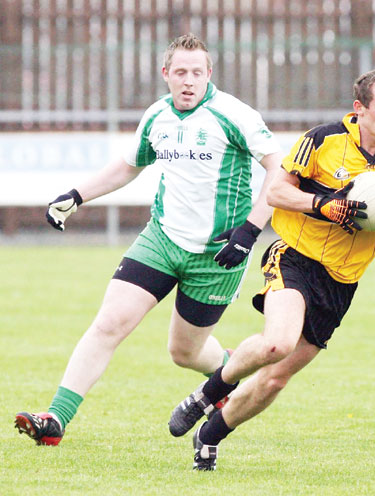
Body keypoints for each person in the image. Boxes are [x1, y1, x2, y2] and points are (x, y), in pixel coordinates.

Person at [14, 33, 283, 446]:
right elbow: (127, 167)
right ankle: (56, 419)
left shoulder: (234, 114)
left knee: (185, 353)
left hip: (218, 253)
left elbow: (280, 169)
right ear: (166, 75)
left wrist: (250, 231)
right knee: (109, 324)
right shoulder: (157, 116)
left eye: (197, 72)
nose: (189, 80)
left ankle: (226, 371)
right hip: (161, 239)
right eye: (180, 72)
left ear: (209, 73)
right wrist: (77, 195)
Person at [168, 69, 375, 471]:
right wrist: (322, 205)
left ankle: (210, 434)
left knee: (275, 379)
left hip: (343, 281)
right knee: (278, 342)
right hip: (295, 256)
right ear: (359, 109)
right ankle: (209, 391)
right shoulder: (322, 140)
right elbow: (276, 191)